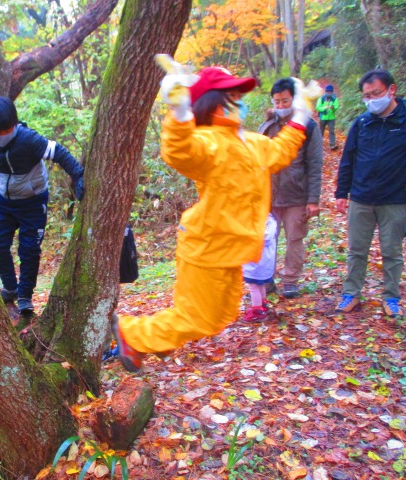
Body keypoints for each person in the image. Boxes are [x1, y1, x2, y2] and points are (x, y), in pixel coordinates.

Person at [111, 57, 314, 372]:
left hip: (231, 250)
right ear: (213, 104)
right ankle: (132, 334)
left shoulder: (251, 143)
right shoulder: (208, 142)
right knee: (197, 317)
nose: (239, 104)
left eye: (238, 97)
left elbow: (282, 151)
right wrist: (179, 111)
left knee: (220, 316)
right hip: (207, 248)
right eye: (230, 97)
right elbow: (180, 151)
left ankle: (155, 338)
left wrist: (301, 115)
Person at [0, 97, 85, 314]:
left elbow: (58, 152)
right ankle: (11, 287)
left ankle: (25, 296)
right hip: (5, 202)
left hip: (33, 201)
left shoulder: (28, 139)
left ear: (14, 123)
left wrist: (78, 176)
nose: (2, 136)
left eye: (6, 130)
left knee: (29, 249)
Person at [334, 68, 406, 317]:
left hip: (395, 199)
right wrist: (342, 193)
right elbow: (348, 158)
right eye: (367, 96)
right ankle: (351, 293)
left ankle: (391, 298)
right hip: (362, 197)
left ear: (391, 90)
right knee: (357, 250)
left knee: (392, 251)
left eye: (377, 93)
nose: (372, 100)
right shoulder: (362, 122)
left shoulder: (404, 120)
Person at [258, 78, 324, 299]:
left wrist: (313, 199)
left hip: (297, 195)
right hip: (269, 196)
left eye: (285, 101)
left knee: (295, 239)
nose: (280, 106)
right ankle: (266, 280)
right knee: (267, 240)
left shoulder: (308, 126)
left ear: (294, 100)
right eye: (276, 101)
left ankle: (290, 280)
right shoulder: (266, 125)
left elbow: (315, 164)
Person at [243, 213, 278, 321]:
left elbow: (266, 238)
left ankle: (257, 311)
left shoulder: (268, 221)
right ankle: (262, 304)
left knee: (253, 286)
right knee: (260, 284)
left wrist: (248, 236)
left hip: (258, 260)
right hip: (258, 259)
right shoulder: (263, 219)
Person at [316, 84, 340, 150]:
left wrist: (333, 108)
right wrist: (324, 108)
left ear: (332, 92)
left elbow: (336, 106)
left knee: (332, 131)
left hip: (331, 118)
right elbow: (318, 107)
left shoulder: (334, 99)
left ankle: (332, 145)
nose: (328, 93)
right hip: (323, 117)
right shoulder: (321, 99)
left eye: (330, 92)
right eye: (327, 91)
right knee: (321, 131)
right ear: (325, 92)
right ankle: (319, 144)